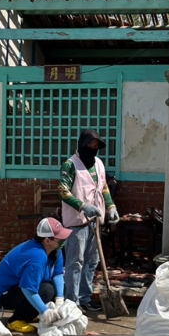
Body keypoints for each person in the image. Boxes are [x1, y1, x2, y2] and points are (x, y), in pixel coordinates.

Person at [58, 130, 119, 312]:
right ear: (82, 145)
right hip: (76, 221)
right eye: (89, 146)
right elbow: (63, 190)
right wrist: (81, 206)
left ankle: (85, 297)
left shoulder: (98, 164)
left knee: (91, 261)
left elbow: (104, 187)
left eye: (95, 147)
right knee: (75, 262)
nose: (92, 150)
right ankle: (72, 301)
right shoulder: (70, 165)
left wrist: (110, 207)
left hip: (95, 219)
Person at [0, 217, 71, 333]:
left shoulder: (55, 250)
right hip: (3, 295)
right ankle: (16, 320)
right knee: (47, 290)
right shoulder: (37, 257)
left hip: (20, 288)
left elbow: (57, 274)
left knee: (59, 288)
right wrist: (44, 310)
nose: (63, 241)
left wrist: (60, 298)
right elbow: (28, 289)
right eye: (60, 239)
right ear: (47, 240)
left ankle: (33, 311)